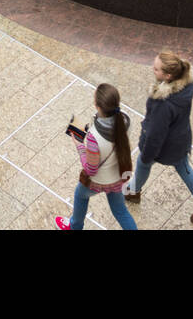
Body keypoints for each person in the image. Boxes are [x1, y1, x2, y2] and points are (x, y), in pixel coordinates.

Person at [122, 51, 193, 228]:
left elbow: (155, 135)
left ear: (167, 76)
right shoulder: (186, 86)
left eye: (157, 68)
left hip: (165, 146)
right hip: (180, 139)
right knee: (185, 170)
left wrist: (146, 154)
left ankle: (133, 191)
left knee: (143, 164)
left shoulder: (163, 103)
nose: (153, 69)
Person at [55, 83, 137, 230]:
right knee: (120, 211)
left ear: (97, 106)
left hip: (99, 181)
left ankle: (75, 226)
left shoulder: (94, 137)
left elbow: (90, 169)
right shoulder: (126, 120)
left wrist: (80, 146)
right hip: (118, 176)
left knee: (80, 195)